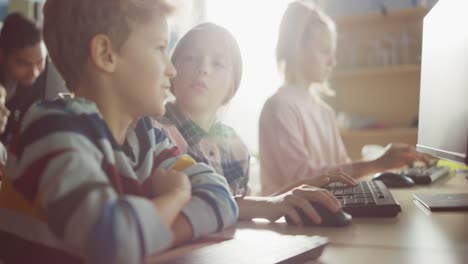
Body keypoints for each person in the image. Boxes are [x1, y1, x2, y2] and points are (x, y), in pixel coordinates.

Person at [0, 1, 237, 263]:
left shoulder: (146, 137)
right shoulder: (50, 129)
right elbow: (113, 241)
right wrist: (176, 196)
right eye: (160, 48)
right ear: (105, 54)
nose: (172, 69)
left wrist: (146, 235)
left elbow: (221, 197)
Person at [155, 22, 356, 227]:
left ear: (232, 85)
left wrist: (293, 194)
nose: (203, 68)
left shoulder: (237, 147)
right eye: (190, 58)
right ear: (172, 69)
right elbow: (198, 206)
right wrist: (272, 203)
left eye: (218, 63)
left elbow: (243, 212)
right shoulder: (156, 133)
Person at [259, 0, 427, 195]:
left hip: (325, 211)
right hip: (290, 221)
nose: (333, 61)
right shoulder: (279, 107)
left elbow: (343, 170)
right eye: (324, 51)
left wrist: (384, 164)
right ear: (296, 49)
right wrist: (376, 163)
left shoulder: (324, 111)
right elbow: (300, 179)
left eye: (333, 52)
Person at [0, 13, 47, 146]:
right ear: (1, 55)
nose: (34, 73)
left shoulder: (40, 79)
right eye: (24, 64)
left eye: (40, 62)